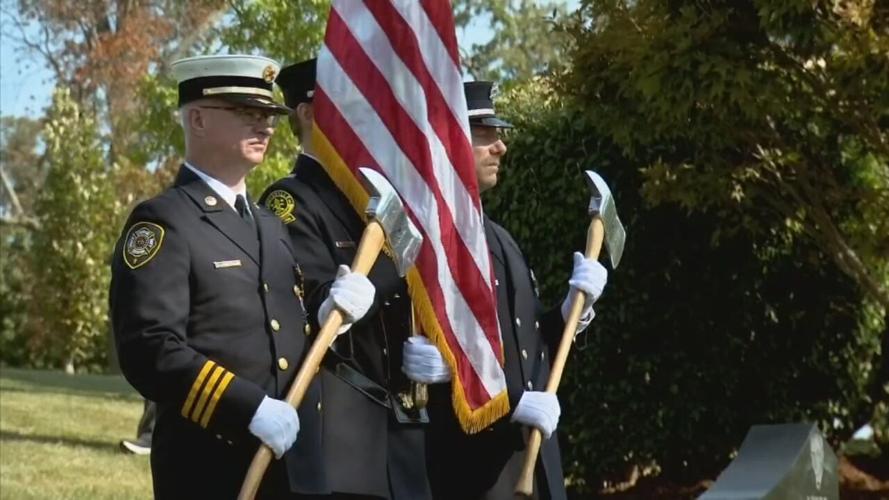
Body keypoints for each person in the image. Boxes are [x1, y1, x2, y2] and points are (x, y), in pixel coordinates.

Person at [110, 54, 375, 499]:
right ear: (197, 119)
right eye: (247, 114)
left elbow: (281, 321)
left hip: (294, 463)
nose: (266, 126)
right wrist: (245, 408)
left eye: (269, 114)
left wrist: (327, 308)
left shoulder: (269, 225)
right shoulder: (164, 221)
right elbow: (148, 347)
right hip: (212, 463)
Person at [402, 81, 609, 500]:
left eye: (498, 135)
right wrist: (512, 402)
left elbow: (529, 345)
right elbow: (434, 364)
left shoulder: (500, 238)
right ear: (448, 142)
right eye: (484, 135)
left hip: (532, 461)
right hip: (474, 470)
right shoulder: (427, 244)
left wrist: (573, 311)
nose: (500, 148)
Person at [259, 58, 433, 500]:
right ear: (308, 113)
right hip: (344, 437)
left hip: (400, 433)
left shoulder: (371, 203)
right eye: (352, 107)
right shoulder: (289, 200)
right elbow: (310, 303)